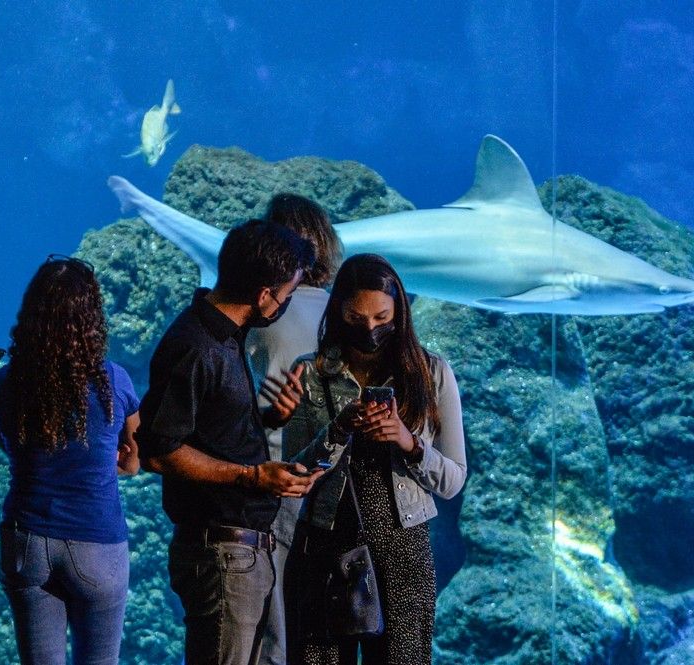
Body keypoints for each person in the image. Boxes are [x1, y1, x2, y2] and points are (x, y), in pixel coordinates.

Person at [136, 218, 321, 665]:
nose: (286, 304)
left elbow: (207, 430)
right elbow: (158, 451)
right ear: (263, 295)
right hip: (221, 553)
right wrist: (253, 475)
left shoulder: (226, 338)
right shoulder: (196, 347)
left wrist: (269, 418)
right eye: (287, 294)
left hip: (242, 552)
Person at [283, 253, 467, 665]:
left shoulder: (432, 373)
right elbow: (294, 474)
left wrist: (409, 442)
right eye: (356, 317)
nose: (370, 328)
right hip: (325, 544)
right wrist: (336, 432)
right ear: (338, 312)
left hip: (403, 547)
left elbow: (454, 480)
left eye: (382, 317)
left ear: (399, 311)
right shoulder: (309, 374)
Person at [0, 255, 140, 665]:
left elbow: (7, 444)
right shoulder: (114, 381)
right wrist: (109, 462)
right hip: (97, 542)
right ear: (92, 317)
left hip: (27, 540)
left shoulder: (6, 380)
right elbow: (134, 460)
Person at [247, 193, 341, 665]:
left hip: (275, 478)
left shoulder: (259, 317)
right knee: (321, 624)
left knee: (272, 621)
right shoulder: (346, 316)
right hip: (338, 483)